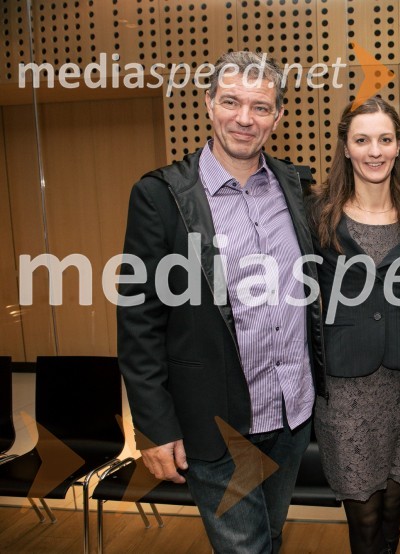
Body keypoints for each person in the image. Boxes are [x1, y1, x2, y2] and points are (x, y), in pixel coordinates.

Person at [117, 51, 324, 553]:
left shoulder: (298, 188)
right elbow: (138, 322)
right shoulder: (162, 196)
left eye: (260, 106)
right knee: (246, 547)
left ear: (277, 116)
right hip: (215, 419)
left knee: (269, 535)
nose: (244, 118)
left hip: (290, 409)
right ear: (209, 104)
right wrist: (155, 429)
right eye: (231, 102)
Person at [307, 96, 400, 554]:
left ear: (399, 146)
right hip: (345, 392)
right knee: (363, 522)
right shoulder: (318, 217)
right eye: (362, 140)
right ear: (345, 147)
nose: (374, 150)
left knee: (392, 515)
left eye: (384, 139)